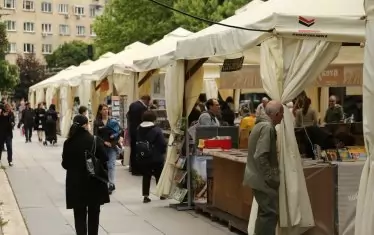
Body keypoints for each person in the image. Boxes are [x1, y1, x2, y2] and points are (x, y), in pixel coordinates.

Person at [62, 115, 110, 235]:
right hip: (93, 181)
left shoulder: (68, 142)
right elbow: (105, 158)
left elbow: (65, 164)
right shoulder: (94, 140)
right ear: (85, 125)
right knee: (94, 212)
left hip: (75, 182)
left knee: (79, 214)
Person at [243, 100, 284, 235]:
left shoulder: (258, 124)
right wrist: (271, 177)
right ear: (277, 114)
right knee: (270, 214)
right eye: (282, 114)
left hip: (254, 176)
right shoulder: (267, 127)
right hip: (262, 179)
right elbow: (261, 155)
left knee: (264, 213)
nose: (283, 117)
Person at [136, 111, 167, 203]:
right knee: (159, 175)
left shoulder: (138, 128)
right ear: (154, 118)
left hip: (143, 156)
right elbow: (162, 143)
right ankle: (161, 194)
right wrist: (162, 152)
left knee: (146, 175)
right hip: (156, 156)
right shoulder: (157, 129)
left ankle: (146, 196)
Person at [94, 104, 121, 194]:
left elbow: (118, 133)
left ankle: (111, 184)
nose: (106, 111)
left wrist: (112, 142)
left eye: (107, 109)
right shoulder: (97, 122)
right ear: (100, 111)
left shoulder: (113, 121)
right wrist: (104, 142)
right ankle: (103, 183)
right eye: (104, 109)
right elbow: (96, 135)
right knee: (102, 166)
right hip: (101, 147)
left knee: (111, 165)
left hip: (112, 147)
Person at [127, 95, 151, 176]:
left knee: (133, 149)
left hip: (132, 130)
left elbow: (128, 116)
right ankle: (138, 170)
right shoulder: (142, 108)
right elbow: (144, 120)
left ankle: (133, 168)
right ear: (146, 100)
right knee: (140, 150)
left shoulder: (132, 105)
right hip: (139, 131)